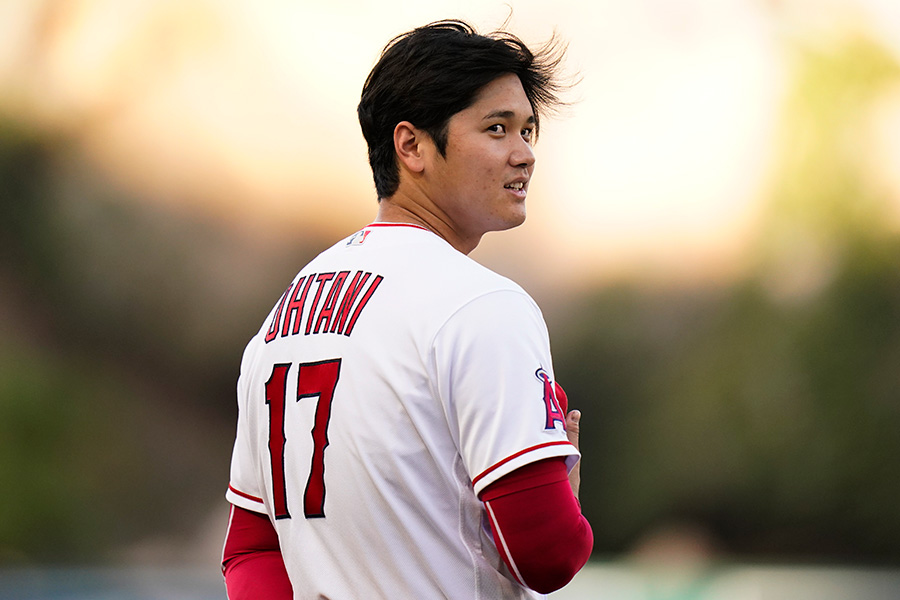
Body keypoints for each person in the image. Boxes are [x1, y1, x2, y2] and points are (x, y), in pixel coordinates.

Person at [221, 19, 593, 599]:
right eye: (497, 129)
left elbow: (252, 548)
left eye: (527, 131)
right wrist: (564, 486)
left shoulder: (284, 313)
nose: (523, 155)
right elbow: (546, 554)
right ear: (412, 145)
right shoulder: (484, 305)